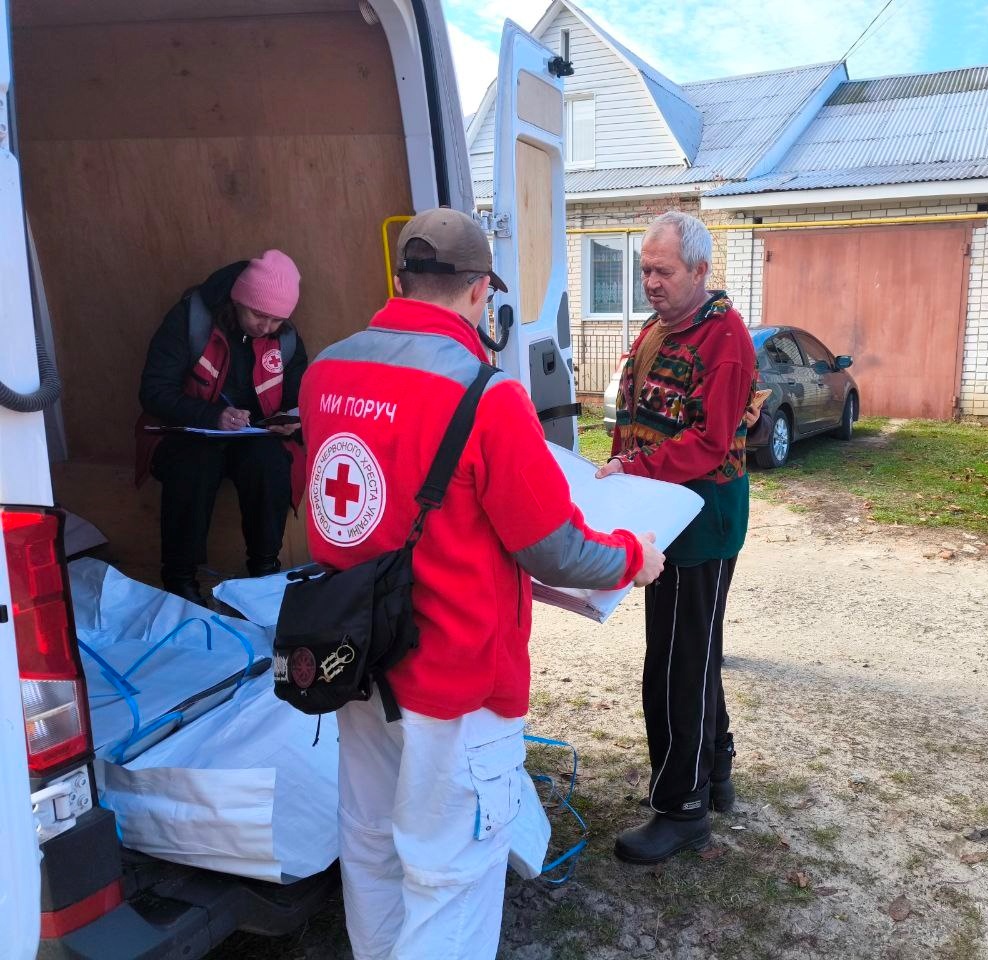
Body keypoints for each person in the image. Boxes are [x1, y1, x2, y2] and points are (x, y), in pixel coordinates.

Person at [298, 209, 665, 960]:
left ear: (401, 279)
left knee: (370, 846)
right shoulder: (486, 395)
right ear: (479, 292)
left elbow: (336, 508)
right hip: (454, 678)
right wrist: (633, 556)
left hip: (357, 660)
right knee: (452, 875)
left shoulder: (325, 372)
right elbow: (556, 550)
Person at [598, 210, 756, 864]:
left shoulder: (725, 338)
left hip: (699, 521)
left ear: (699, 269)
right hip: (660, 512)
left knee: (674, 664)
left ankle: (681, 807)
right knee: (695, 652)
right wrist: (618, 473)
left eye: (662, 271)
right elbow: (633, 413)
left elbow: (709, 441)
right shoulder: (658, 329)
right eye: (645, 270)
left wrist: (632, 469)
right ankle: (713, 772)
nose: (650, 282)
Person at [137, 250, 307, 605]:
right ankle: (181, 579)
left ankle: (264, 571)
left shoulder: (286, 338)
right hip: (190, 430)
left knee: (270, 462)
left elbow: (299, 396)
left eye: (277, 320)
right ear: (237, 300)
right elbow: (154, 391)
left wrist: (291, 422)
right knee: (195, 464)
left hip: (253, 436)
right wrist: (211, 416)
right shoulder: (191, 319)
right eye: (258, 314)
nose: (265, 327)